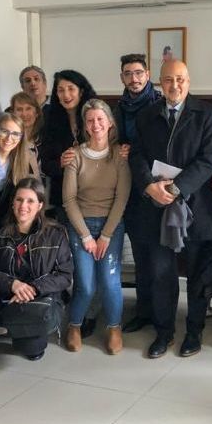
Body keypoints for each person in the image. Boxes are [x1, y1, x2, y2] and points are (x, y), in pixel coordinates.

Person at [129, 59, 212, 359]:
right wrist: (148, 185)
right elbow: (137, 156)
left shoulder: (206, 114)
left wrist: (177, 187)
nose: (175, 85)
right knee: (161, 274)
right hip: (156, 207)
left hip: (194, 208)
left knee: (197, 276)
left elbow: (209, 160)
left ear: (189, 81)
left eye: (180, 79)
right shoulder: (146, 115)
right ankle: (164, 332)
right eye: (168, 80)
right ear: (160, 82)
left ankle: (193, 333)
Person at [0, 178, 74, 380]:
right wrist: (12, 284)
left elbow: (64, 275)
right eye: (19, 200)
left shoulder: (55, 234)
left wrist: (32, 288)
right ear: (12, 202)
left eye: (30, 201)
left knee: (32, 350)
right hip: (2, 295)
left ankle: (22, 335)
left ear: (40, 205)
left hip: (36, 298)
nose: (23, 206)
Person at [63, 99, 131, 354]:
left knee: (110, 281)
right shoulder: (75, 155)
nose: (96, 124)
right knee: (86, 284)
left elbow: (121, 198)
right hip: (80, 226)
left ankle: (114, 328)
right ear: (85, 125)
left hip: (110, 226)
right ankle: (74, 325)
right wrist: (86, 237)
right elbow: (69, 200)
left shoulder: (120, 156)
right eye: (90, 120)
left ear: (110, 122)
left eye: (100, 119)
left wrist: (105, 235)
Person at [113, 53, 163, 334]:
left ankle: (161, 312)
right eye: (128, 73)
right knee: (141, 256)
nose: (134, 79)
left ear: (147, 74)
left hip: (156, 186)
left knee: (158, 255)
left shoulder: (159, 103)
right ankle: (143, 310)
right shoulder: (118, 108)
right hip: (128, 187)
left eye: (138, 73)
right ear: (122, 77)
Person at [0, 113, 40, 248]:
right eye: (5, 131)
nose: (9, 138)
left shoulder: (23, 164)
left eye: (16, 134)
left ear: (21, 138)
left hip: (4, 235)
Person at [40, 70, 97, 224]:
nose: (66, 95)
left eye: (71, 89)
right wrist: (60, 163)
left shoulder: (95, 117)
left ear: (81, 91)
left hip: (95, 195)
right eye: (61, 90)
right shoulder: (49, 120)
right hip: (64, 197)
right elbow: (45, 164)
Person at [10, 91, 45, 168]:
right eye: (19, 109)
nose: (24, 114)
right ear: (12, 114)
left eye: (28, 108)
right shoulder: (8, 141)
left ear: (36, 113)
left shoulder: (46, 139)